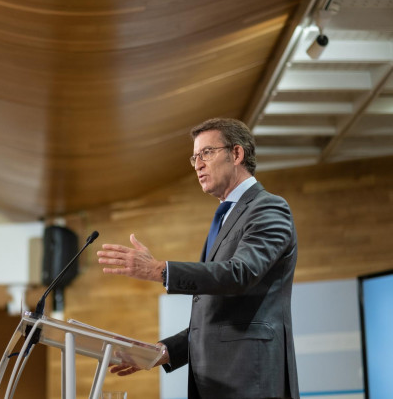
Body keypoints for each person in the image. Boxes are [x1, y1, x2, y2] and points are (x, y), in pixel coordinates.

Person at [97, 118, 299, 398]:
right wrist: (162, 352)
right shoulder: (225, 217)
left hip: (249, 379)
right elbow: (215, 314)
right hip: (215, 384)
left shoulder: (269, 208)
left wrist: (161, 270)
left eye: (207, 153)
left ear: (237, 154)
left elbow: (240, 274)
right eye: (194, 157)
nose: (197, 165)